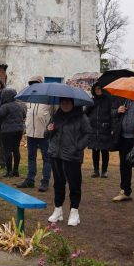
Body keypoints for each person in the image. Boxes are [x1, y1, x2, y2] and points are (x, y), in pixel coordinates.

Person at [45, 97, 92, 226]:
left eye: (67, 102)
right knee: (58, 183)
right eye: (62, 102)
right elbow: (46, 134)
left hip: (72, 156)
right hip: (56, 154)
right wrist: (49, 130)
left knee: (74, 184)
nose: (64, 104)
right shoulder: (56, 116)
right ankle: (58, 209)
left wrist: (77, 147)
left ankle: (74, 212)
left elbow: (88, 134)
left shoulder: (81, 117)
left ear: (73, 103)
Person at [17, 76, 54, 191]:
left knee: (46, 158)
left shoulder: (49, 99)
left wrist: (51, 126)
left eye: (36, 83)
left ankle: (45, 181)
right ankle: (30, 180)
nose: (34, 85)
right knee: (31, 157)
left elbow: (54, 115)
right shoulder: (29, 100)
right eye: (32, 83)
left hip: (44, 134)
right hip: (30, 133)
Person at [0, 88, 26, 178]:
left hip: (7, 131)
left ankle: (9, 171)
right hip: (19, 130)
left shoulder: (5, 106)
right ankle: (16, 170)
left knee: (8, 150)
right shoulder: (20, 105)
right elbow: (24, 115)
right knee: (16, 150)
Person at [86, 84, 119, 178]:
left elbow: (112, 115)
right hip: (94, 129)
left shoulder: (108, 100)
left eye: (99, 88)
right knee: (95, 151)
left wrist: (112, 128)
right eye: (95, 89)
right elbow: (86, 113)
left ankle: (104, 171)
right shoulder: (92, 101)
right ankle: (95, 170)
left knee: (104, 151)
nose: (97, 90)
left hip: (105, 128)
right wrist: (90, 105)